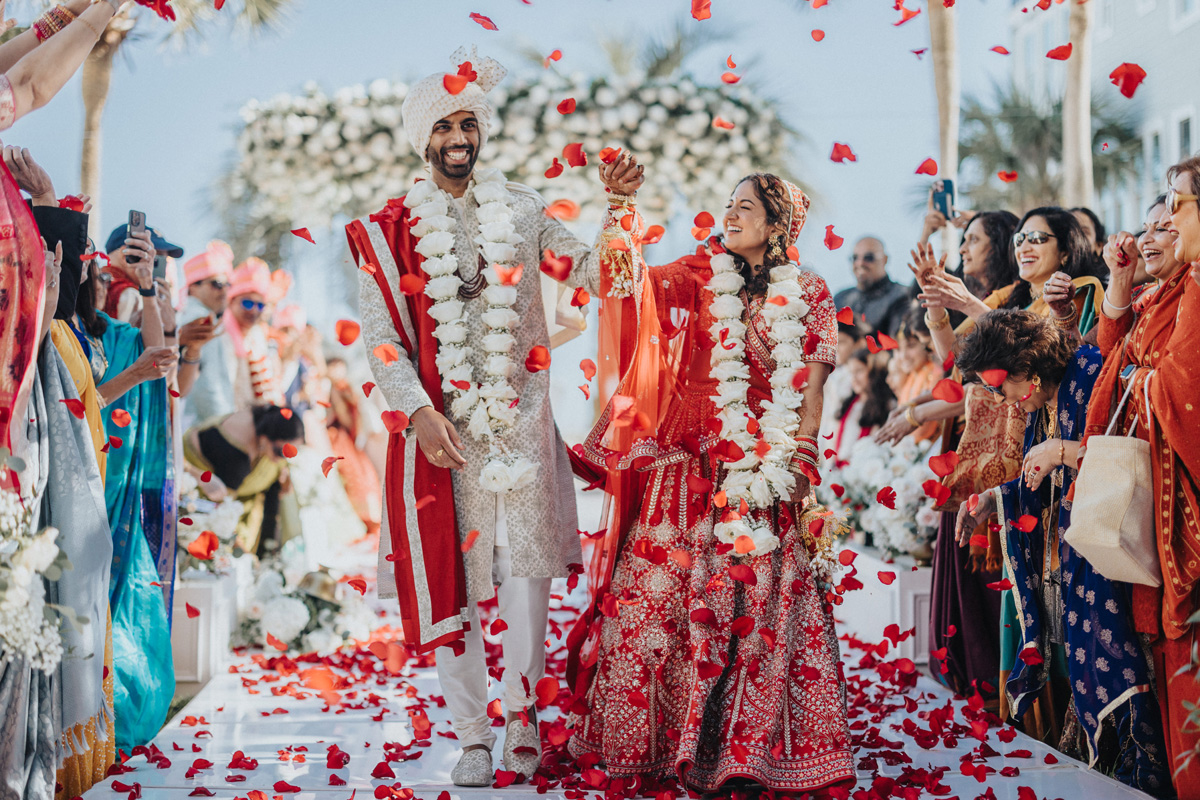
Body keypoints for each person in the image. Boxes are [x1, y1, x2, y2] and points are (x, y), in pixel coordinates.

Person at [347, 45, 639, 786]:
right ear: (424, 139)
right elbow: (382, 341)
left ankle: (520, 719)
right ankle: (473, 734)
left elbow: (599, 273)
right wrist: (416, 414)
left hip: (522, 424)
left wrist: (621, 208)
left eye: (468, 124)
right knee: (455, 580)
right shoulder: (388, 233)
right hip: (441, 438)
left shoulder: (522, 209)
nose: (459, 137)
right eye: (444, 125)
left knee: (525, 579)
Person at [568, 171, 853, 795]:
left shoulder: (809, 291)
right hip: (686, 464)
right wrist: (620, 210)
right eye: (728, 204)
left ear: (779, 225)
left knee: (755, 615)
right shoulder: (697, 276)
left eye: (745, 207)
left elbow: (809, 392)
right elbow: (627, 288)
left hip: (761, 472)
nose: (730, 214)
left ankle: (744, 752)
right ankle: (649, 745)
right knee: (657, 607)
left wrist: (799, 460)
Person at [954, 310, 1170, 795]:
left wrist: (1063, 451)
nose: (1001, 400)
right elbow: (1037, 476)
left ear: (1027, 374)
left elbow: (1138, 454)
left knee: (1115, 652)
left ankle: (1143, 771)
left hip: (1118, 539)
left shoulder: (1091, 375)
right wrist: (994, 500)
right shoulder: (1046, 400)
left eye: (1001, 387)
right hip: (1082, 550)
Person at [1085, 158, 1200, 798]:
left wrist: (1141, 384)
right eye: (1149, 222)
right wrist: (1120, 283)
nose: (1160, 232)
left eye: (1173, 214)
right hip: (1153, 485)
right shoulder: (1161, 294)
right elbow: (1111, 358)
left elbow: (1182, 388)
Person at [183, 405, 303, 553]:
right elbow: (222, 509)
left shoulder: (262, 420)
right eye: (281, 452)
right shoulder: (237, 455)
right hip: (201, 489)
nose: (282, 459)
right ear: (266, 439)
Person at [179, 240, 237, 428]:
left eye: (227, 285)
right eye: (217, 284)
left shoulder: (205, 317)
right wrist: (224, 425)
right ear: (193, 287)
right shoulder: (199, 318)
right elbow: (209, 383)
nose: (224, 291)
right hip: (203, 426)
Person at [325, 357, 382, 536]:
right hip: (337, 436)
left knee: (363, 474)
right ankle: (364, 519)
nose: (337, 371)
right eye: (333, 367)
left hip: (348, 437)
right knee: (355, 474)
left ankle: (371, 516)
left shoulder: (345, 387)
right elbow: (342, 415)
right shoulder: (330, 387)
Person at [226, 258, 284, 409]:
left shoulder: (257, 335)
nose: (253, 311)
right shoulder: (221, 333)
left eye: (260, 305)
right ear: (231, 301)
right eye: (247, 303)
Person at [101, 220, 183, 323]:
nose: (163, 266)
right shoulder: (130, 294)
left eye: (165, 260)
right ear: (125, 255)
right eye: (155, 257)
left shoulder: (94, 286)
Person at [833, 236, 910, 336]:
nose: (860, 263)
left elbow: (900, 344)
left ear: (884, 260)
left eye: (869, 257)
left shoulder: (901, 295)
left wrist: (867, 334)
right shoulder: (840, 298)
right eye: (855, 258)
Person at [828, 348, 894, 467]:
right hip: (840, 467)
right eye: (851, 372)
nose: (854, 378)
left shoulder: (885, 406)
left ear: (874, 372)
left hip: (863, 467)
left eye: (859, 371)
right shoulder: (849, 403)